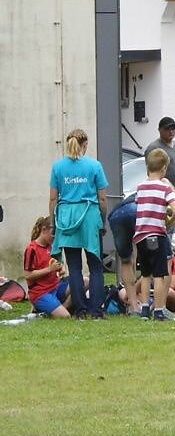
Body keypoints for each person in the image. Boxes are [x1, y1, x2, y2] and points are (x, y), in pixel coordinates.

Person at [48, 129, 110, 319]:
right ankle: (96, 311)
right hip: (89, 216)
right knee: (95, 267)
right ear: (85, 145)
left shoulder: (58, 167)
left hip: (67, 217)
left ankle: (80, 311)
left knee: (74, 267)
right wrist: (102, 220)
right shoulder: (95, 165)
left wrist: (53, 224)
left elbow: (52, 199)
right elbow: (103, 199)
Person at [134, 148, 175, 320]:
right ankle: (159, 310)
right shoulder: (165, 188)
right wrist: (168, 223)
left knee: (146, 273)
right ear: (164, 168)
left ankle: (145, 309)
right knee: (160, 274)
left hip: (140, 235)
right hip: (157, 234)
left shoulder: (140, 187)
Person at [23, 216, 70, 318]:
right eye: (53, 235)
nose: (55, 238)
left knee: (83, 282)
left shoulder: (52, 247)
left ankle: (60, 309)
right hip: (41, 293)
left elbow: (57, 264)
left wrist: (61, 269)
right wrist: (49, 269)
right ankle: (53, 311)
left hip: (56, 287)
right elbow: (28, 275)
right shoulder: (32, 249)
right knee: (65, 317)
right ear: (44, 230)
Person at [107, 197, 140, 314]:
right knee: (149, 259)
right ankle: (147, 306)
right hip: (137, 211)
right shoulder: (166, 186)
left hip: (116, 215)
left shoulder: (142, 188)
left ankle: (133, 307)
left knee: (126, 260)